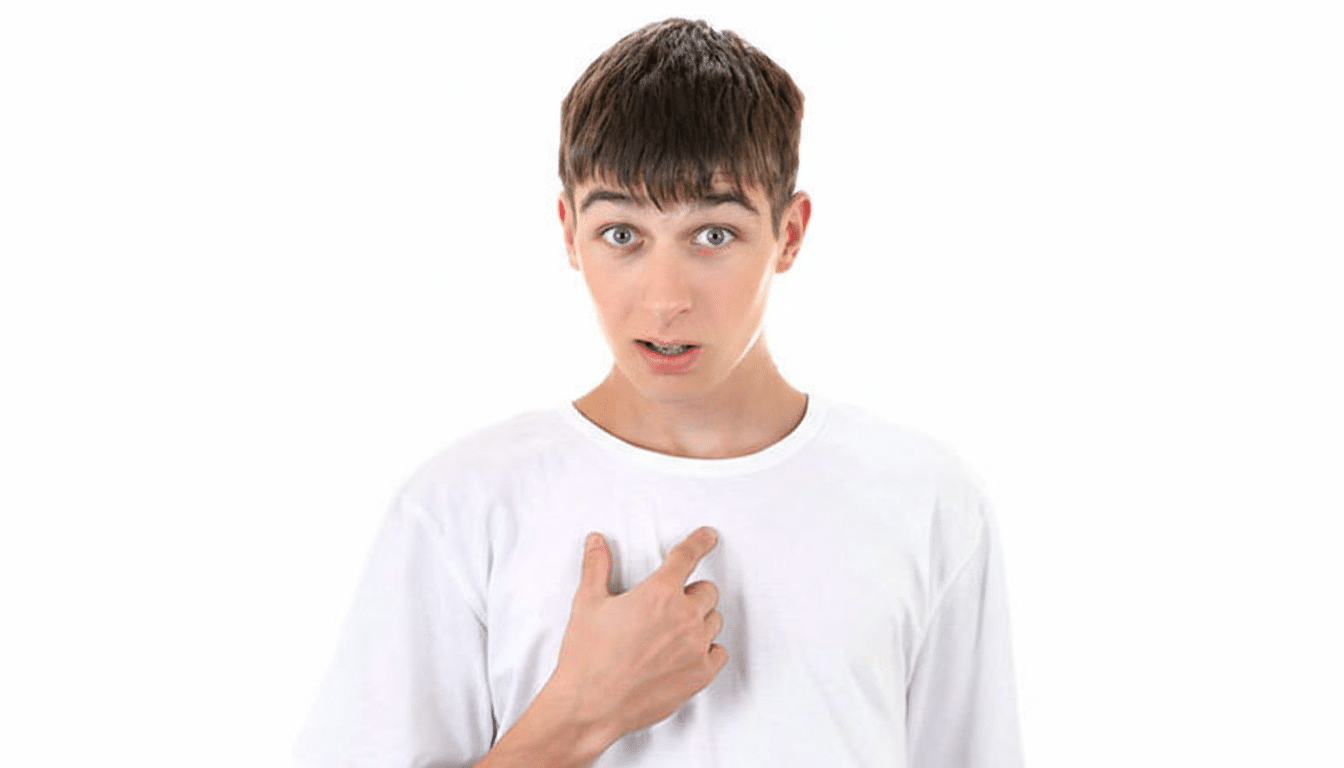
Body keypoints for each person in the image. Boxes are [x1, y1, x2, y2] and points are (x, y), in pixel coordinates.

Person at [296, 17, 1023, 768]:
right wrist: (580, 715)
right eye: (622, 235)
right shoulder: (462, 506)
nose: (665, 299)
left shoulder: (924, 499)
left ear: (791, 233)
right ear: (568, 232)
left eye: (713, 234)